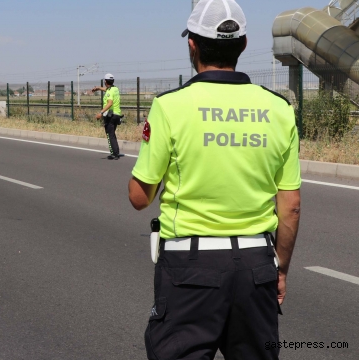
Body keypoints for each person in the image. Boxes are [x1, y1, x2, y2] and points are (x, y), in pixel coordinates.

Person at [127, 1, 301, 359]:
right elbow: (291, 206)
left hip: (190, 270)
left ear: (192, 44)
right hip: (257, 265)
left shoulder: (170, 106)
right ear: (244, 44)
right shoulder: (279, 109)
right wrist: (279, 270)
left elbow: (139, 197)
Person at [91, 74, 122, 160]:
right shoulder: (115, 89)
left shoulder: (109, 92)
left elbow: (110, 103)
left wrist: (101, 112)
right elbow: (107, 89)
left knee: (110, 134)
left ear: (105, 81)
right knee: (112, 134)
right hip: (117, 115)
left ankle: (114, 154)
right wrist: (98, 88)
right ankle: (116, 151)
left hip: (110, 115)